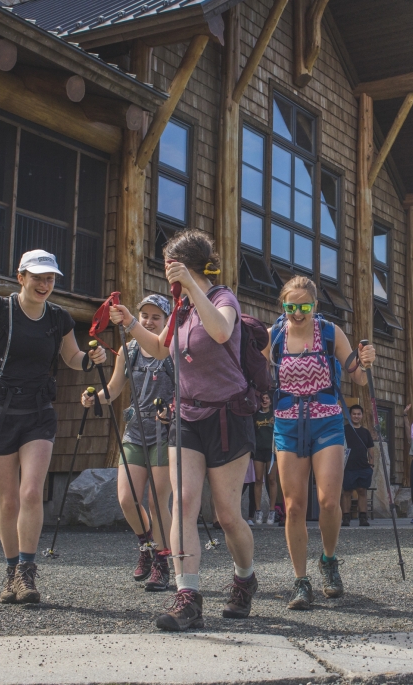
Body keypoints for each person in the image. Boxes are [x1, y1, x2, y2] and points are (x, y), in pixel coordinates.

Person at [110, 229, 257, 631]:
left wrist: (193, 286)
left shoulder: (221, 299)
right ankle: (187, 596)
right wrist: (130, 326)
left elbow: (222, 331)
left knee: (227, 515)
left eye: (171, 267)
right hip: (186, 417)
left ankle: (245, 578)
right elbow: (159, 347)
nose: (167, 275)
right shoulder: (181, 307)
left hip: (228, 417)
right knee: (183, 503)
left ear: (186, 266)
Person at [0, 245, 107, 604]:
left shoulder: (58, 318)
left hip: (38, 412)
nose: (45, 284)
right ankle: (10, 570)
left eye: (50, 278)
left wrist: (93, 359)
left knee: (31, 492)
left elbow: (72, 357)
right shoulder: (0, 307)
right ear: (21, 277)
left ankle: (26, 573)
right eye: (37, 277)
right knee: (7, 501)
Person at [264, 276, 375, 610]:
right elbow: (253, 370)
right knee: (294, 505)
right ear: (282, 305)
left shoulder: (330, 332)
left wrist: (365, 360)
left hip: (327, 420)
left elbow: (357, 376)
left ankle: (328, 560)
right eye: (290, 306)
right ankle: (301, 581)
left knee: (328, 501)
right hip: (287, 423)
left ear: (315, 305)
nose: (297, 313)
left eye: (304, 306)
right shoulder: (274, 336)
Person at [80, 295, 174, 592]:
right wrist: (94, 399)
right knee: (126, 498)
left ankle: (162, 561)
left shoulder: (171, 349)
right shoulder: (128, 350)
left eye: (155, 317)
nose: (148, 320)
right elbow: (113, 389)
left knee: (157, 500)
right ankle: (146, 545)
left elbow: (187, 390)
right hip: (135, 430)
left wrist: (171, 410)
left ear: (167, 320)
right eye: (144, 315)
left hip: (166, 432)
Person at [340, 404, 375, 527]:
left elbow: (371, 448)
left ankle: (363, 518)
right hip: (347, 467)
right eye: (354, 414)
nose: (356, 416)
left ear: (362, 416)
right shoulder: (344, 430)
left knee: (362, 491)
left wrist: (371, 465)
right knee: (347, 492)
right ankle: (345, 517)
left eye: (358, 414)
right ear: (350, 415)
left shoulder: (365, 432)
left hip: (363, 466)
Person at [252, 393, 280, 524]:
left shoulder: (275, 415)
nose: (265, 400)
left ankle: (272, 510)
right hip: (258, 450)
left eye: (267, 398)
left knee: (272, 479)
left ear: (270, 401)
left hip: (271, 450)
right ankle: (258, 511)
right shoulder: (255, 415)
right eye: (262, 398)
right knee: (258, 479)